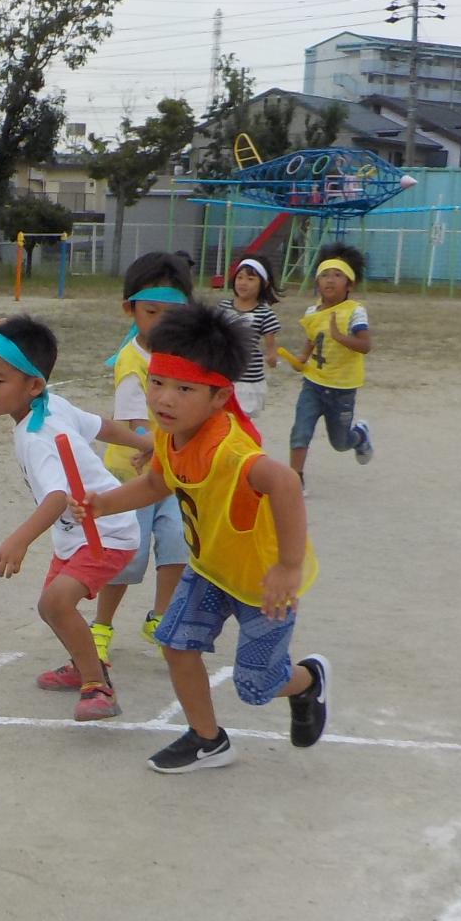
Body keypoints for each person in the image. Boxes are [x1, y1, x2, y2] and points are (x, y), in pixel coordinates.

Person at [79, 302, 330, 772]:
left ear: (219, 397)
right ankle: (208, 738)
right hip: (211, 567)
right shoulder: (172, 434)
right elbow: (158, 483)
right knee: (176, 643)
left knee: (256, 687)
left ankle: (308, 681)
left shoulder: (232, 451)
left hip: (262, 582)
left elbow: (286, 483)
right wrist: (104, 502)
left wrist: (289, 566)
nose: (164, 400)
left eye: (183, 389)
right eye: (157, 382)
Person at [0, 317, 149, 722]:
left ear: (33, 386)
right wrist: (146, 444)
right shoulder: (51, 405)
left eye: (0, 380)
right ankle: (86, 664)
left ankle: (97, 686)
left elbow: (57, 496)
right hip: (78, 534)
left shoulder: (36, 436)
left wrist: (20, 538)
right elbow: (102, 426)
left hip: (105, 532)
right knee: (54, 607)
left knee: (55, 603)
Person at [89, 251, 193, 673]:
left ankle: (160, 618)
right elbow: (137, 429)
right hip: (134, 474)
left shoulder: (187, 354)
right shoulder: (133, 363)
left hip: (176, 470)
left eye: (174, 312)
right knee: (127, 556)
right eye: (152, 311)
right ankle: (101, 627)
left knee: (177, 545)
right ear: (130, 308)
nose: (163, 321)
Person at [281, 242, 374, 482]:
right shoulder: (313, 311)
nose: (329, 280)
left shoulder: (355, 311)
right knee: (300, 430)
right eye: (324, 275)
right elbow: (313, 338)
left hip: (342, 389)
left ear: (349, 284)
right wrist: (302, 357)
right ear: (317, 282)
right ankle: (295, 478)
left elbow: (365, 346)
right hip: (313, 383)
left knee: (340, 442)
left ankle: (360, 436)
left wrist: (340, 337)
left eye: (337, 275)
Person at [217, 252, 282, 417]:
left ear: (264, 284)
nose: (243, 283)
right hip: (222, 375)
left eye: (250, 279)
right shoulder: (223, 306)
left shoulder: (264, 313)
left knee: (241, 421)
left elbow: (270, 343)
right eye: (240, 277)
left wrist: (272, 356)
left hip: (249, 380)